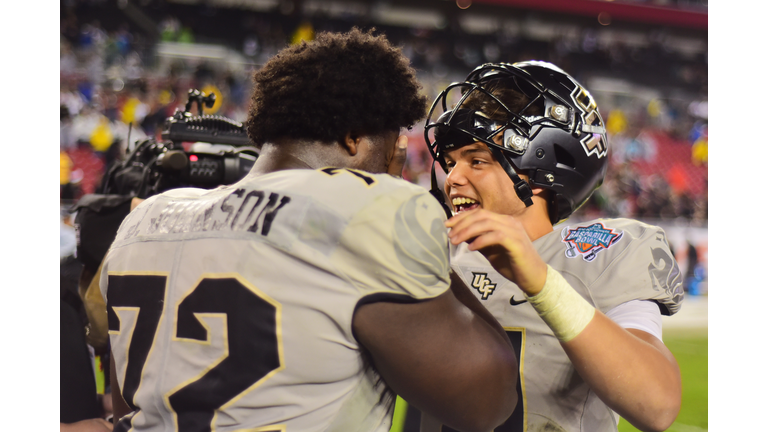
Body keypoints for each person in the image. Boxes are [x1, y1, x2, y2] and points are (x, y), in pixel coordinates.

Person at [100, 29, 518, 432]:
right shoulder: (367, 207)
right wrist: (399, 212)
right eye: (391, 144)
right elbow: (486, 402)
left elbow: (127, 406)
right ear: (354, 138)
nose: (394, 158)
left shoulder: (144, 218)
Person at [422, 60, 684, 432]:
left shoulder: (599, 254)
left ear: (542, 167)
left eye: (476, 161)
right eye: (450, 163)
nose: (453, 178)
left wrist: (543, 284)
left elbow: (656, 404)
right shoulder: (434, 252)